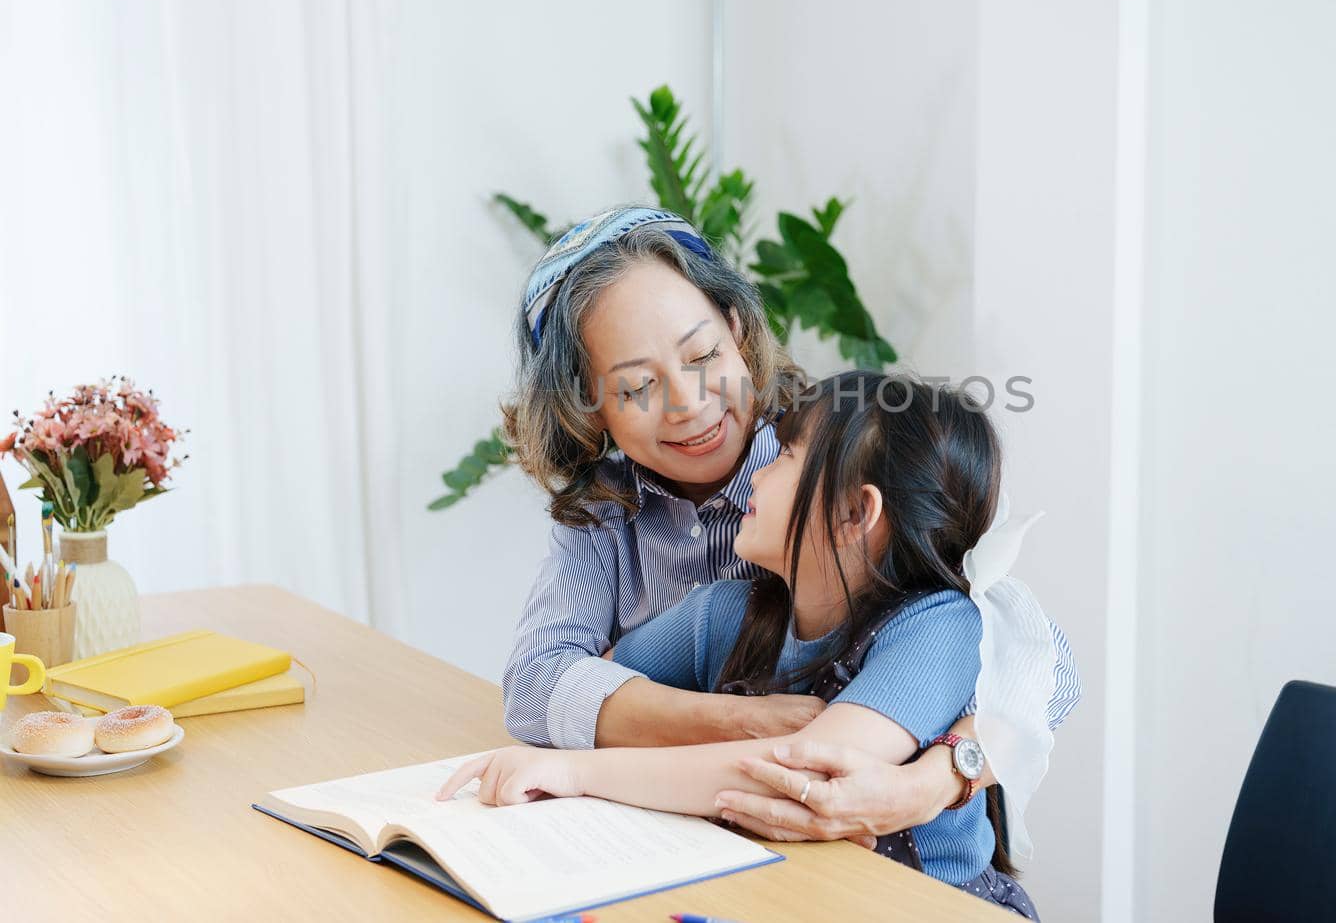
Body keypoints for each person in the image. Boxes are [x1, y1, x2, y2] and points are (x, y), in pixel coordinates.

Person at [499, 205, 1081, 845]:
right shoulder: (626, 527)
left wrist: (935, 780)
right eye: (637, 387)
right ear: (587, 407)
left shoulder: (823, 451)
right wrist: (727, 721)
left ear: (739, 329)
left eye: (703, 354)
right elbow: (535, 683)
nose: (690, 405)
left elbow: (1030, 660)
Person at [442, 371, 1039, 915]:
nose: (757, 472)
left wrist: (577, 773)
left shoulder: (939, 627)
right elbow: (599, 686)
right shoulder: (725, 613)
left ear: (856, 511)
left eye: (786, 457)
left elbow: (804, 773)